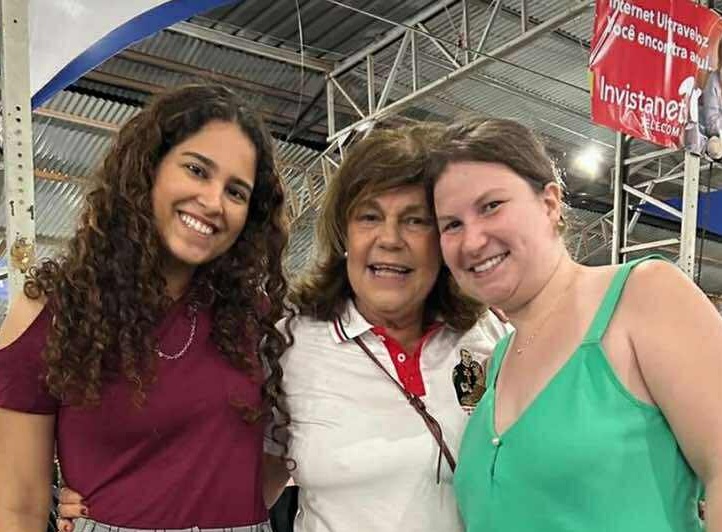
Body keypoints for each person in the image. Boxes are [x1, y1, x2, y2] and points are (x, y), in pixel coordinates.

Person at [54, 124, 509, 532]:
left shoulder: (486, 333)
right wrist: (109, 500)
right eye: (369, 217)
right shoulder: (289, 339)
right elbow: (228, 469)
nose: (390, 239)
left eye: (416, 220)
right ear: (343, 235)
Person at [0, 84, 291, 532]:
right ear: (147, 169)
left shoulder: (256, 319)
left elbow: (274, 462)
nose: (213, 202)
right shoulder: (55, 310)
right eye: (197, 170)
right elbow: (18, 506)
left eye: (236, 192)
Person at [426, 117, 721, 532]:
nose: (472, 241)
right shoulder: (498, 362)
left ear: (549, 204)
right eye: (452, 225)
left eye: (491, 206)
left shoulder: (643, 296)